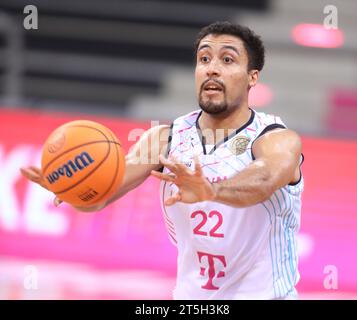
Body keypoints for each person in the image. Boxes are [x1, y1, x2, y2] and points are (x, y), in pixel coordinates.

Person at [21, 21, 304, 300]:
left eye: (227, 59)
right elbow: (99, 198)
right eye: (204, 59)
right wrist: (71, 188)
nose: (211, 68)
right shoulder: (164, 139)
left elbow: (265, 179)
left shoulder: (275, 138)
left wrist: (212, 191)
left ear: (252, 77)